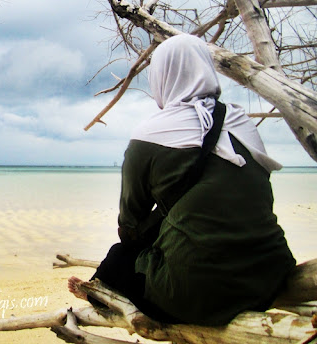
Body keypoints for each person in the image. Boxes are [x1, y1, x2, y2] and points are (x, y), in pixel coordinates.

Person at [69, 34, 296, 326]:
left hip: (195, 295)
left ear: (163, 76)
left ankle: (99, 291)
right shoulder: (244, 124)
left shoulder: (150, 135)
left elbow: (130, 225)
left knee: (119, 257)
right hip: (270, 274)